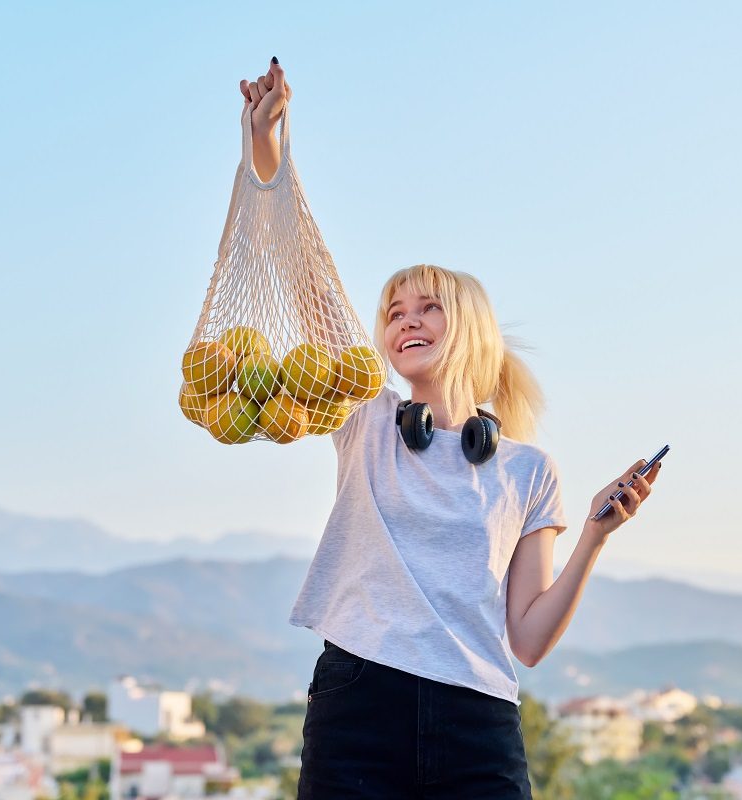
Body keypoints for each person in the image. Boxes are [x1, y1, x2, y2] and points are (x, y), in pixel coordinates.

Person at [237, 58, 665, 799]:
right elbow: (303, 271)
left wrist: (595, 535)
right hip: (358, 705)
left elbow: (527, 640)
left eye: (427, 307)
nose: (406, 320)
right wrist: (269, 145)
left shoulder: (529, 471)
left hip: (477, 719)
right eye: (395, 313)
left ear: (467, 325)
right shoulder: (365, 416)